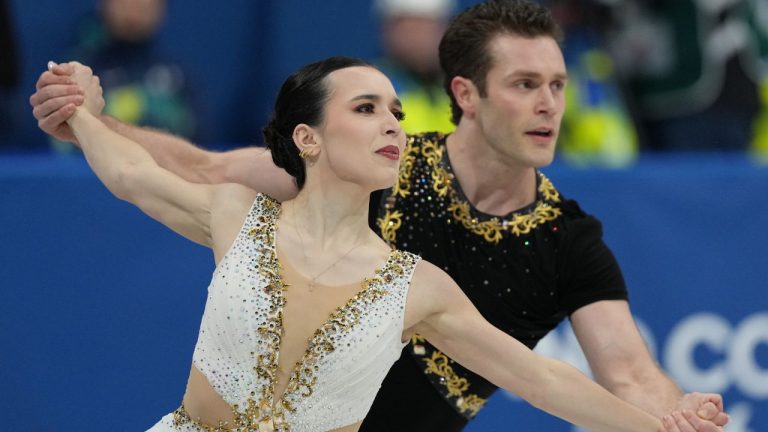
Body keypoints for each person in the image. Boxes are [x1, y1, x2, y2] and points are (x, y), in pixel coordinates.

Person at [30, 1, 728, 431]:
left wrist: (666, 423)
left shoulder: (521, 256)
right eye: (525, 84)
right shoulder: (262, 207)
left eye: (557, 85)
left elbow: (568, 378)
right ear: (468, 94)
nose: (549, 103)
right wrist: (88, 117)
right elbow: (162, 171)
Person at [52, 0, 199, 153]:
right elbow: (62, 142)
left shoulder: (176, 76)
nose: (137, 4)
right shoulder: (80, 70)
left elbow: (198, 144)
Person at [373, 0, 456, 135]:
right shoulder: (368, 91)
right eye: (410, 28)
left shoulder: (462, 90)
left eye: (429, 27)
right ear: (387, 31)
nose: (420, 38)